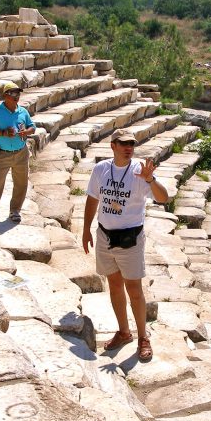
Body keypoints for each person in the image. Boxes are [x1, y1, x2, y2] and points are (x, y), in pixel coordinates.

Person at [82, 131, 168, 362]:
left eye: (132, 144)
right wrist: (85, 229)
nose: (128, 148)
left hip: (130, 239)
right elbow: (92, 199)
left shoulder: (141, 170)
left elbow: (163, 198)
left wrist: (150, 180)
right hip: (105, 236)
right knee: (114, 285)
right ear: (113, 146)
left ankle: (143, 338)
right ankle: (123, 331)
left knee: (134, 289)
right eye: (124, 144)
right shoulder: (101, 169)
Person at [0, 81, 35, 223]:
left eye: (18, 93)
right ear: (5, 95)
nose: (16, 96)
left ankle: (15, 210)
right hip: (3, 153)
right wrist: (3, 133)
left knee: (21, 182)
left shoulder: (23, 111)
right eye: (13, 93)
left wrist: (26, 131)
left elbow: (32, 127)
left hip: (21, 152)